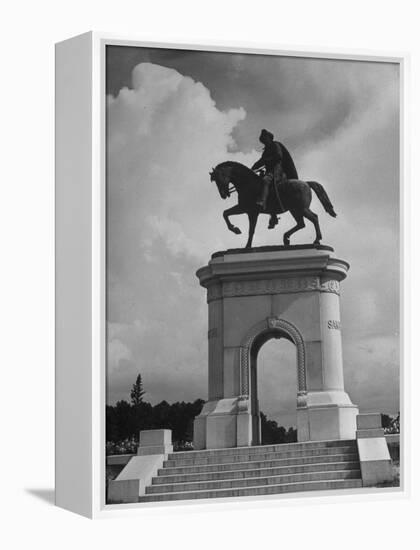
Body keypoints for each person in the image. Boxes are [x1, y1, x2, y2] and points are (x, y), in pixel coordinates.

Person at [251, 129, 299, 228]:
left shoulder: (275, 145)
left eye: (265, 139)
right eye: (262, 140)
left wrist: (268, 160)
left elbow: (278, 156)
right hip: (270, 171)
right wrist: (252, 168)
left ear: (269, 138)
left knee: (265, 180)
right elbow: (261, 161)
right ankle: (273, 215)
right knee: (258, 183)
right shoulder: (266, 150)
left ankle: (262, 202)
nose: (264, 141)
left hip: (278, 171)